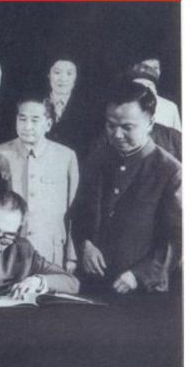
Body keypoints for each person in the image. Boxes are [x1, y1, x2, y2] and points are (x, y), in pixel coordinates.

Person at [73, 81, 181, 295]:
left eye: (127, 127)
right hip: (92, 284)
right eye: (110, 125)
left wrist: (138, 275)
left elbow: (177, 240)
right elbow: (79, 213)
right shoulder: (96, 160)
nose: (117, 134)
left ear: (150, 124)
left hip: (143, 293)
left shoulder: (170, 171)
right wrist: (85, 245)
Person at [0, 98, 79, 270]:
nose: (27, 126)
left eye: (35, 120)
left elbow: (74, 211)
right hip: (8, 251)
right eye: (22, 119)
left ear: (48, 124)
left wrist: (71, 256)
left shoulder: (66, 157)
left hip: (50, 251)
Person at [42, 56, 98, 159]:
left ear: (76, 77)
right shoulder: (37, 103)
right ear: (48, 75)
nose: (63, 79)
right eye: (57, 72)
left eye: (69, 73)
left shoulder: (87, 109)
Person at [130, 58, 181, 130]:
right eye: (144, 66)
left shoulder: (170, 107)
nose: (149, 70)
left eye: (155, 67)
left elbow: (177, 135)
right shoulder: (122, 106)